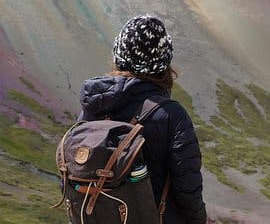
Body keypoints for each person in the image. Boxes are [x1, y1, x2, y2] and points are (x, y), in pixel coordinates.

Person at [78, 14, 207, 224]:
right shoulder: (172, 115)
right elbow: (188, 192)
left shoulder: (94, 106)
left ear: (119, 56)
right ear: (163, 64)